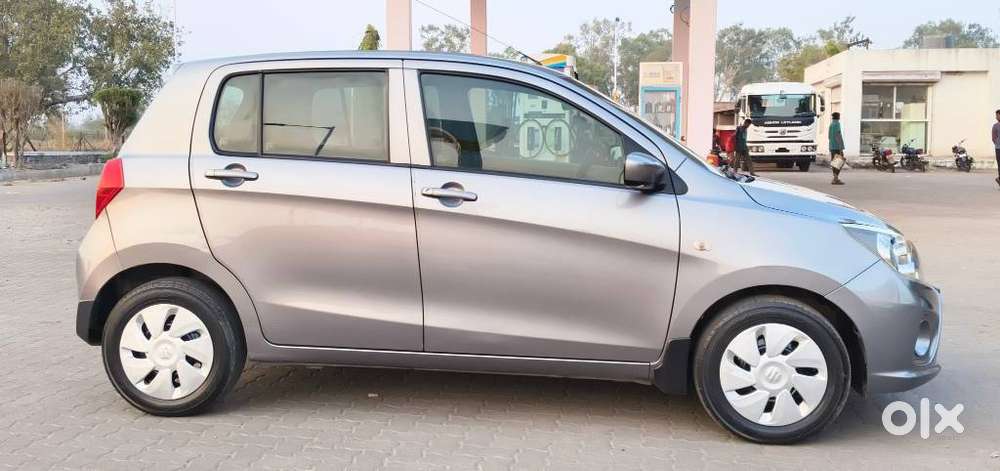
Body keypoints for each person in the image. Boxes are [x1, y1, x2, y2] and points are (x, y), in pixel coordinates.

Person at [829, 112, 846, 185]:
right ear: (838, 117)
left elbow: (829, 136)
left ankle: (835, 178)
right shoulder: (837, 124)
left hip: (831, 146)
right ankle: (835, 179)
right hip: (837, 146)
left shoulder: (831, 124)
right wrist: (841, 148)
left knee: (835, 162)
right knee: (839, 162)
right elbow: (838, 135)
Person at [993, 109, 1000, 187]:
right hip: (998, 148)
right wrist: (997, 143)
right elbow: (993, 137)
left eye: (997, 115)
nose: (996, 117)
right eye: (996, 115)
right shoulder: (995, 126)